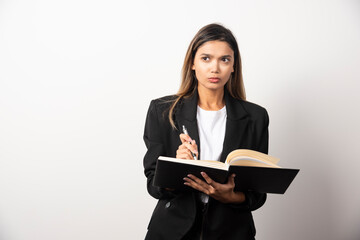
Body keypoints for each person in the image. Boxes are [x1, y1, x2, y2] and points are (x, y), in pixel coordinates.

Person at [143, 23, 269, 240]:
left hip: (232, 231)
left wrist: (231, 196)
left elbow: (257, 195)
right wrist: (176, 166)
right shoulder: (163, 111)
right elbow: (154, 186)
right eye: (206, 58)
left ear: (233, 66)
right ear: (192, 63)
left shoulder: (255, 117)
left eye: (225, 59)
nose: (215, 68)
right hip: (172, 231)